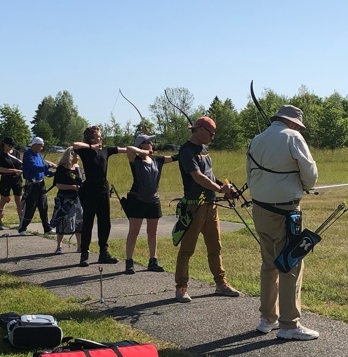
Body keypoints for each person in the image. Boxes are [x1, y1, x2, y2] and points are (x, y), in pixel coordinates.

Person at [246, 105, 320, 340]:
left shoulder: (257, 139)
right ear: (293, 123)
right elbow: (310, 174)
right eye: (298, 125)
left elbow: (250, 175)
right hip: (285, 211)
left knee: (269, 264)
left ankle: (268, 318)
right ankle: (289, 324)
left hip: (260, 209)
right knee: (290, 264)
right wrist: (304, 186)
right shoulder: (293, 137)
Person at [173, 116, 240, 303]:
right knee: (187, 249)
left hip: (211, 206)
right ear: (201, 130)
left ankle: (221, 284)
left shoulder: (204, 149)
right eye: (211, 133)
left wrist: (226, 189)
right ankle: (181, 287)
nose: (212, 137)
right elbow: (198, 177)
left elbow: (209, 175)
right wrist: (220, 189)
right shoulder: (186, 151)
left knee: (215, 247)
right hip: (194, 206)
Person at [122, 133, 176, 274]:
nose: (151, 144)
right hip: (137, 199)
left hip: (153, 200)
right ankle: (129, 262)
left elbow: (175, 157)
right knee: (134, 231)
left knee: (152, 232)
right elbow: (129, 149)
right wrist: (143, 152)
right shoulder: (135, 159)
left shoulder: (157, 160)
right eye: (148, 142)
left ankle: (153, 260)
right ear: (141, 145)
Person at [71, 126, 125, 267]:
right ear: (91, 138)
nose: (101, 138)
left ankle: (103, 253)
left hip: (103, 189)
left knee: (105, 222)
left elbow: (123, 150)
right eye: (98, 136)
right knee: (88, 222)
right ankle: (84, 254)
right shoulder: (85, 151)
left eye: (100, 136)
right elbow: (75, 145)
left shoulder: (105, 150)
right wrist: (91, 146)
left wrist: (140, 150)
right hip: (90, 189)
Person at [17, 137, 56, 234]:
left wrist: (55, 173)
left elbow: (44, 171)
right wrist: (49, 166)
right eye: (40, 146)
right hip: (32, 185)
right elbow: (35, 168)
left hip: (41, 184)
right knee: (30, 208)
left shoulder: (39, 155)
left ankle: (47, 228)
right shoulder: (28, 154)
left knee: (43, 206)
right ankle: (22, 228)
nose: (41, 148)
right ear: (35, 145)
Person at [49, 147, 84, 254]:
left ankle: (80, 246)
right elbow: (58, 184)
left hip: (78, 199)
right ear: (71, 156)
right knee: (62, 221)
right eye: (76, 154)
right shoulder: (62, 168)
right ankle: (59, 246)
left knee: (79, 222)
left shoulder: (78, 167)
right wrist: (72, 187)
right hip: (65, 199)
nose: (78, 156)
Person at [0, 137, 23, 229]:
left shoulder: (16, 153)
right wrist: (14, 171)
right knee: (3, 200)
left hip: (16, 179)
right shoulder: (1, 154)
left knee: (19, 201)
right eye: (9, 145)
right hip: (6, 179)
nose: (10, 147)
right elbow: (0, 169)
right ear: (4, 144)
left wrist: (20, 170)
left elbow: (20, 165)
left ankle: (22, 223)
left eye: (12, 146)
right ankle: (1, 222)